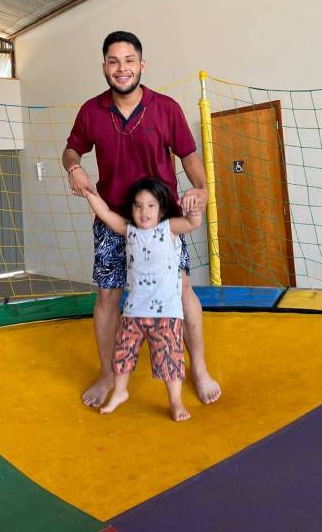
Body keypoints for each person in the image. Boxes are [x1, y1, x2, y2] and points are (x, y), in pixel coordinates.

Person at [62, 30, 221, 408]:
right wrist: (73, 168)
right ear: (104, 67)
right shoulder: (91, 111)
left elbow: (189, 156)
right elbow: (71, 150)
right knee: (107, 296)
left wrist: (202, 189)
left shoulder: (166, 108)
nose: (122, 68)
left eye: (129, 60)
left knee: (182, 290)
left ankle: (199, 369)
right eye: (114, 61)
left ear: (142, 65)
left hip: (161, 222)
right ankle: (108, 375)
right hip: (113, 220)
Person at [84, 177, 201, 421]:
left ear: (161, 210)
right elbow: (105, 213)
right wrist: (89, 193)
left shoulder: (168, 229)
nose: (144, 211)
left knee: (169, 358)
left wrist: (194, 208)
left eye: (150, 206)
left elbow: (192, 223)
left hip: (166, 313)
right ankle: (120, 391)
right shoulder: (129, 231)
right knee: (122, 353)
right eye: (138, 206)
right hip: (134, 311)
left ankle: (175, 400)